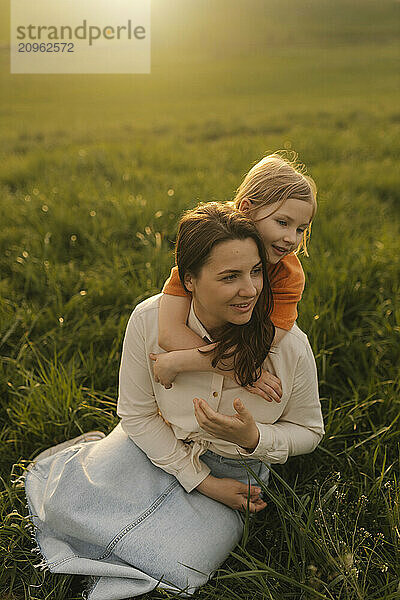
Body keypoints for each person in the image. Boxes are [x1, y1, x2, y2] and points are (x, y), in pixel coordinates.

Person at [25, 203, 324, 600]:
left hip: (236, 474)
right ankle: (83, 462)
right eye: (230, 276)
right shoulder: (149, 320)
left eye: (255, 272)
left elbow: (309, 430)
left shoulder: (289, 347)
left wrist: (256, 439)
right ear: (190, 280)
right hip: (149, 444)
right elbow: (136, 413)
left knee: (180, 564)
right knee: (67, 506)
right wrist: (202, 482)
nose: (250, 289)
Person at [153, 152, 317, 404]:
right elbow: (168, 333)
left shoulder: (288, 276)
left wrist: (178, 361)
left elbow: (255, 351)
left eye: (300, 229)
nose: (292, 238)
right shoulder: (208, 249)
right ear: (246, 209)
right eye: (282, 222)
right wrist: (238, 370)